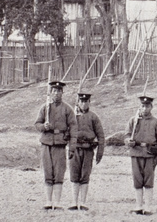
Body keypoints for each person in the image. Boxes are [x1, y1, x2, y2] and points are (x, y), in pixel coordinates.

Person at [35, 81, 78, 210]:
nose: (57, 93)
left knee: (59, 173)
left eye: (59, 91)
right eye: (54, 91)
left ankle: (57, 202)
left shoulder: (67, 109)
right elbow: (37, 124)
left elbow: (73, 128)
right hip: (46, 143)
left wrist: (72, 147)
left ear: (62, 93)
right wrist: (44, 126)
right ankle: (48, 201)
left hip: (60, 144)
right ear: (50, 93)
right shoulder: (45, 108)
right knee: (48, 172)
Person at [124, 95, 157, 215]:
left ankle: (147, 207)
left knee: (148, 180)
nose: (144, 108)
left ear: (151, 107)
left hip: (149, 154)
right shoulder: (133, 121)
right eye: (142, 106)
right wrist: (128, 142)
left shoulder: (156, 123)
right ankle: (139, 205)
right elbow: (126, 135)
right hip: (136, 153)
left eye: (147, 106)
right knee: (137, 180)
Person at [69, 93, 105, 211]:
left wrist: (100, 152)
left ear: (89, 102)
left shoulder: (94, 117)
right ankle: (74, 202)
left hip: (88, 150)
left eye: (86, 101)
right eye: (81, 101)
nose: (84, 104)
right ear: (78, 102)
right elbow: (66, 132)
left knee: (85, 175)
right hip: (75, 149)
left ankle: (83, 202)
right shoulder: (72, 116)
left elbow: (101, 136)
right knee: (74, 175)